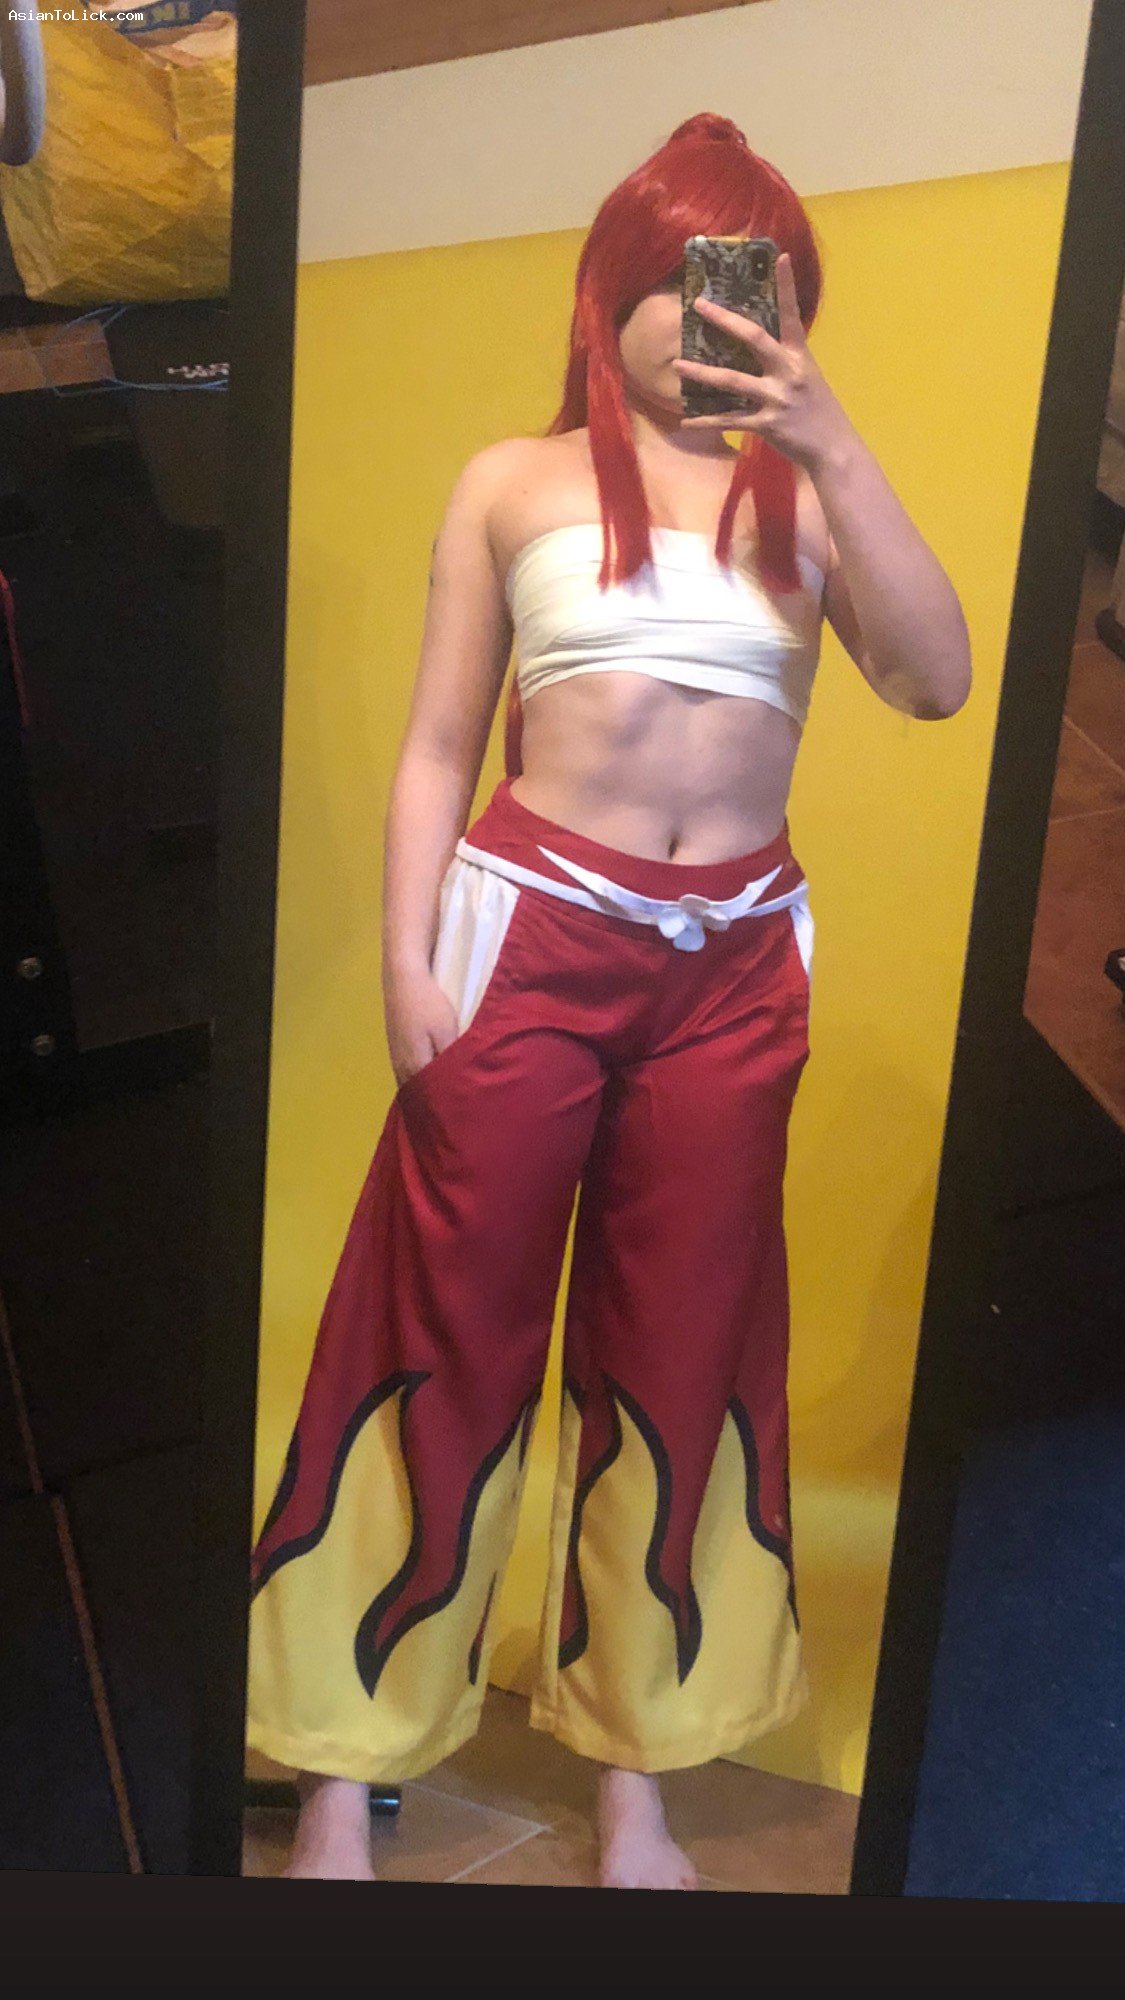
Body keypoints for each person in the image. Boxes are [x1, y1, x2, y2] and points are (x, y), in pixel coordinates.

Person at [246, 112, 971, 1889]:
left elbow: (936, 681)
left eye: (755, 291)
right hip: (529, 944)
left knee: (683, 1347)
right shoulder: (513, 477)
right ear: (610, 291)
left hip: (736, 966)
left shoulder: (809, 497)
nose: (712, 322)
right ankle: (340, 1759)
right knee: (441, 1319)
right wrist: (407, 956)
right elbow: (438, 743)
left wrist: (832, 438)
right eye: (682, 283)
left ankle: (635, 1769)